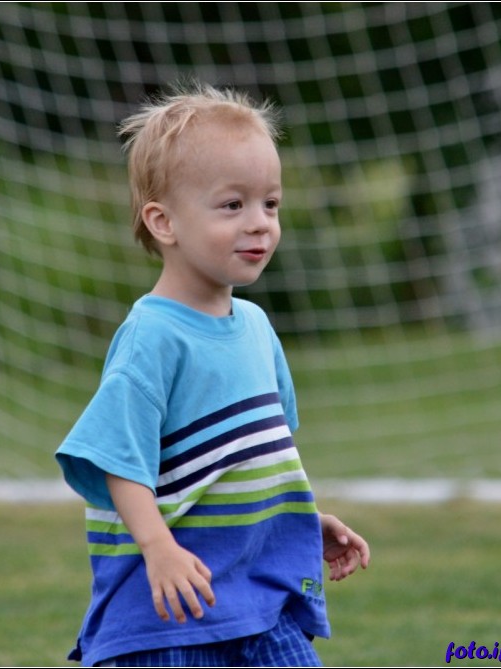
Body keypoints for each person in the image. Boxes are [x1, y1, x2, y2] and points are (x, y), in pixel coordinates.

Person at [55, 81, 370, 667]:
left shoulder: (255, 327)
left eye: (269, 204)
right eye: (233, 205)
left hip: (260, 605)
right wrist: (158, 549)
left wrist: (298, 520)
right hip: (170, 617)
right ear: (164, 222)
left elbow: (255, 459)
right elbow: (116, 460)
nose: (260, 223)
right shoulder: (152, 337)